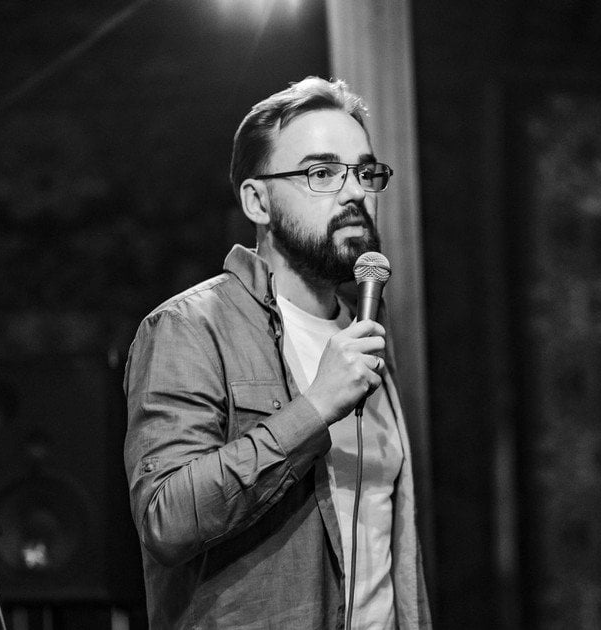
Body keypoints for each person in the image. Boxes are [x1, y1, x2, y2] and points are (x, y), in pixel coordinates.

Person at [122, 77, 432, 629]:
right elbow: (165, 520)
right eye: (322, 173)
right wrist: (314, 409)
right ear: (257, 201)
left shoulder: (368, 334)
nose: (354, 192)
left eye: (364, 173)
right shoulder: (190, 328)